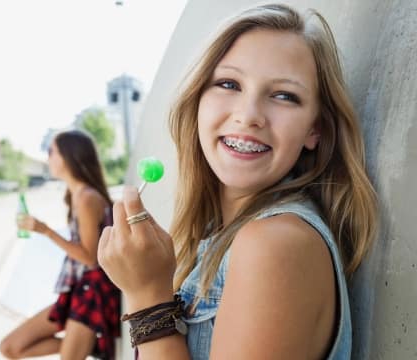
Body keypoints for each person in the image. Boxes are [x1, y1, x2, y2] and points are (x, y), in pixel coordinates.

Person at [98, 3, 378, 359]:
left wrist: (147, 296)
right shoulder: (221, 237)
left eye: (283, 96)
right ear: (198, 100)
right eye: (229, 84)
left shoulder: (276, 245)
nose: (248, 116)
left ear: (315, 129)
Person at [0, 130, 121, 360]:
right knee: (10, 347)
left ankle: (86, 344)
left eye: (51, 151)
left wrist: (45, 230)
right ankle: (92, 346)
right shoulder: (74, 196)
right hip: (77, 289)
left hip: (92, 293)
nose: (48, 158)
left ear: (68, 156)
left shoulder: (87, 198)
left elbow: (89, 258)